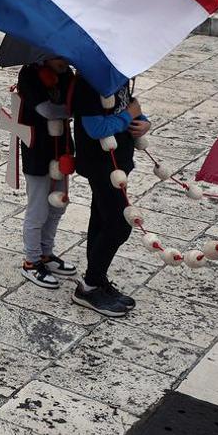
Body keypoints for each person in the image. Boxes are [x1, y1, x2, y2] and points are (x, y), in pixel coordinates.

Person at [70, 85, 149, 317]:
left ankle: (97, 278)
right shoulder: (90, 83)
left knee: (102, 218)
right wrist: (129, 116)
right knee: (118, 224)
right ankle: (89, 286)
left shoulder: (119, 74)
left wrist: (143, 122)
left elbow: (128, 105)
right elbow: (96, 128)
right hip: (101, 163)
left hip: (119, 161)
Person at [14, 57, 78, 289]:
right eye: (59, 57)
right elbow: (48, 110)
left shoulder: (66, 73)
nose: (65, 61)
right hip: (38, 150)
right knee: (38, 207)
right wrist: (74, 109)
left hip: (62, 148)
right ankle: (31, 261)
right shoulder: (29, 74)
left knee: (58, 204)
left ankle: (46, 254)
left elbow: (73, 100)